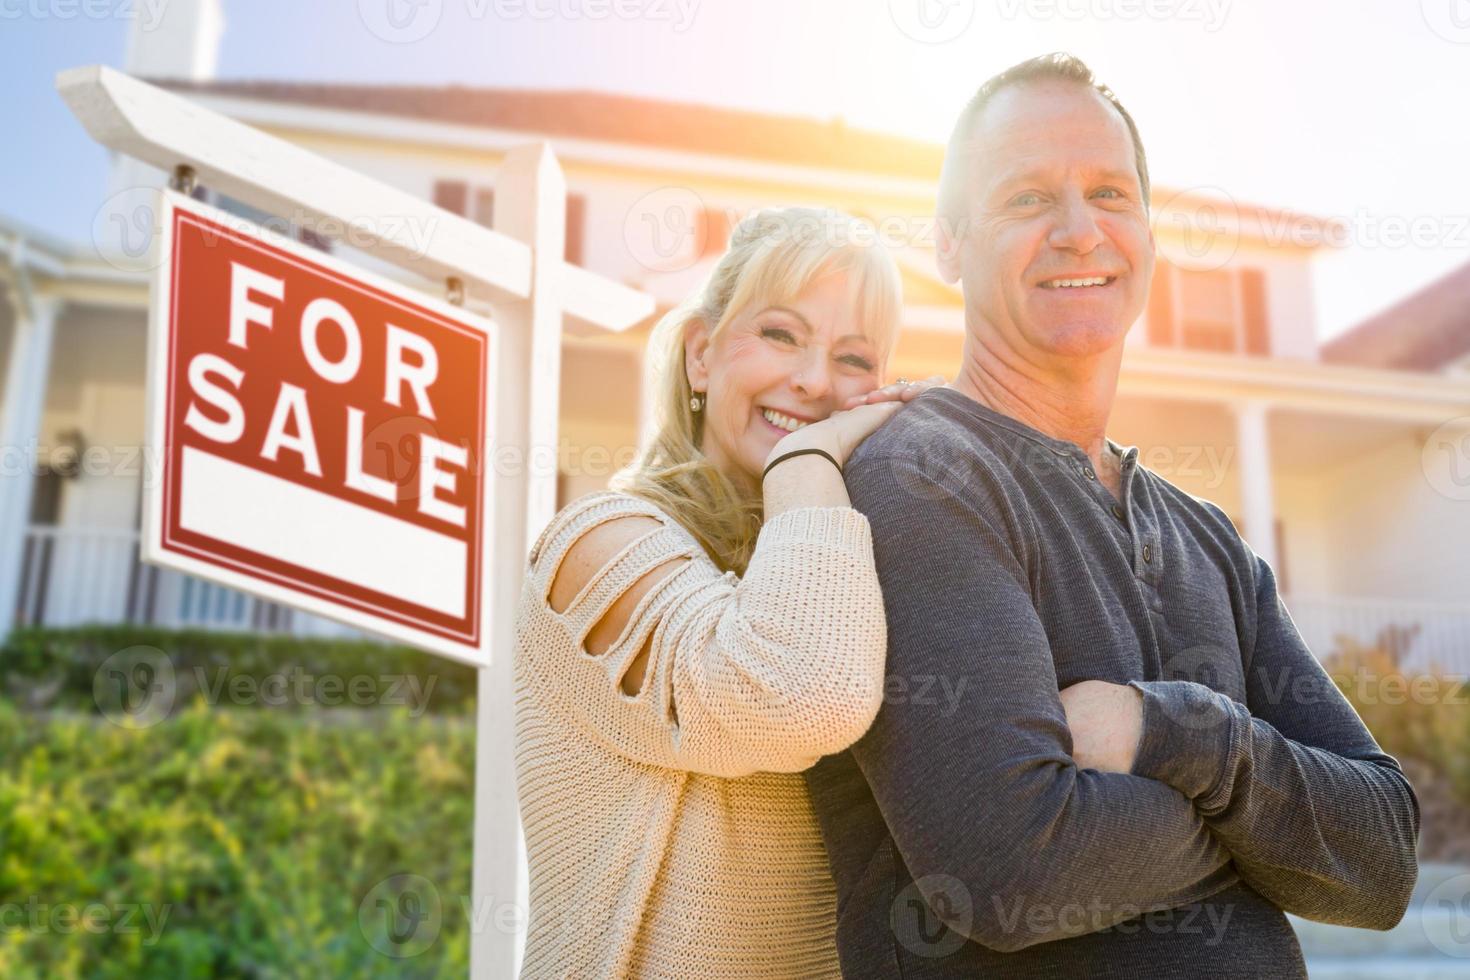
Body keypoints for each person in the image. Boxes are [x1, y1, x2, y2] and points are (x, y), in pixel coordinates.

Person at [805, 52, 1420, 977]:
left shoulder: (1208, 539)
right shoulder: (925, 480)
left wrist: (1173, 734)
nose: (1080, 231)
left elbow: (1383, 858)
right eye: (1026, 199)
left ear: (1149, 232)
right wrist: (1274, 845)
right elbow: (1015, 867)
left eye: (1110, 193)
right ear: (946, 245)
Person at [512, 206, 936, 978]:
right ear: (702, 355)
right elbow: (800, 697)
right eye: (780, 335)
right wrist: (811, 459)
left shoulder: (851, 575)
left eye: (854, 359)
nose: (813, 381)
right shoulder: (598, 544)